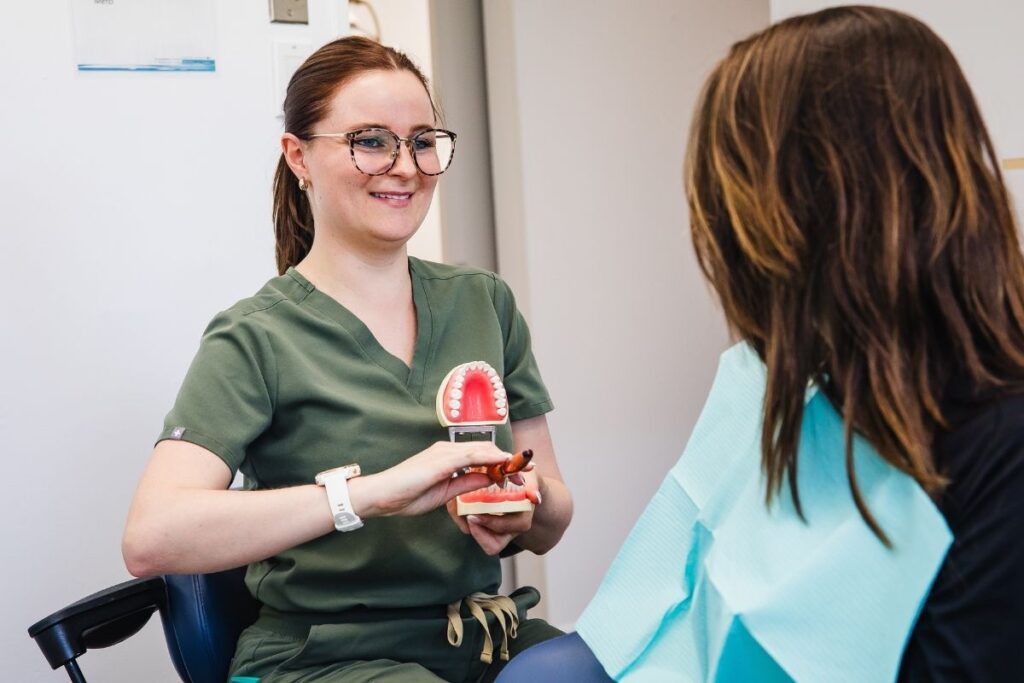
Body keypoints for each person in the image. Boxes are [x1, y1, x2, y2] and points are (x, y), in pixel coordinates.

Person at [501, 6, 1024, 682]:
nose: (720, 228)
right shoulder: (797, 379)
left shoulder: (1001, 450)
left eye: (739, 192)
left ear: (832, 200)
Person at [121, 36, 572, 683]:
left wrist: (526, 506)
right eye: (371, 140)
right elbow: (152, 536)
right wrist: (369, 494)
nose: (406, 166)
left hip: (486, 636)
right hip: (325, 656)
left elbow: (552, 514)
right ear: (298, 156)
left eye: (422, 140)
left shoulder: (484, 301)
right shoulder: (256, 336)